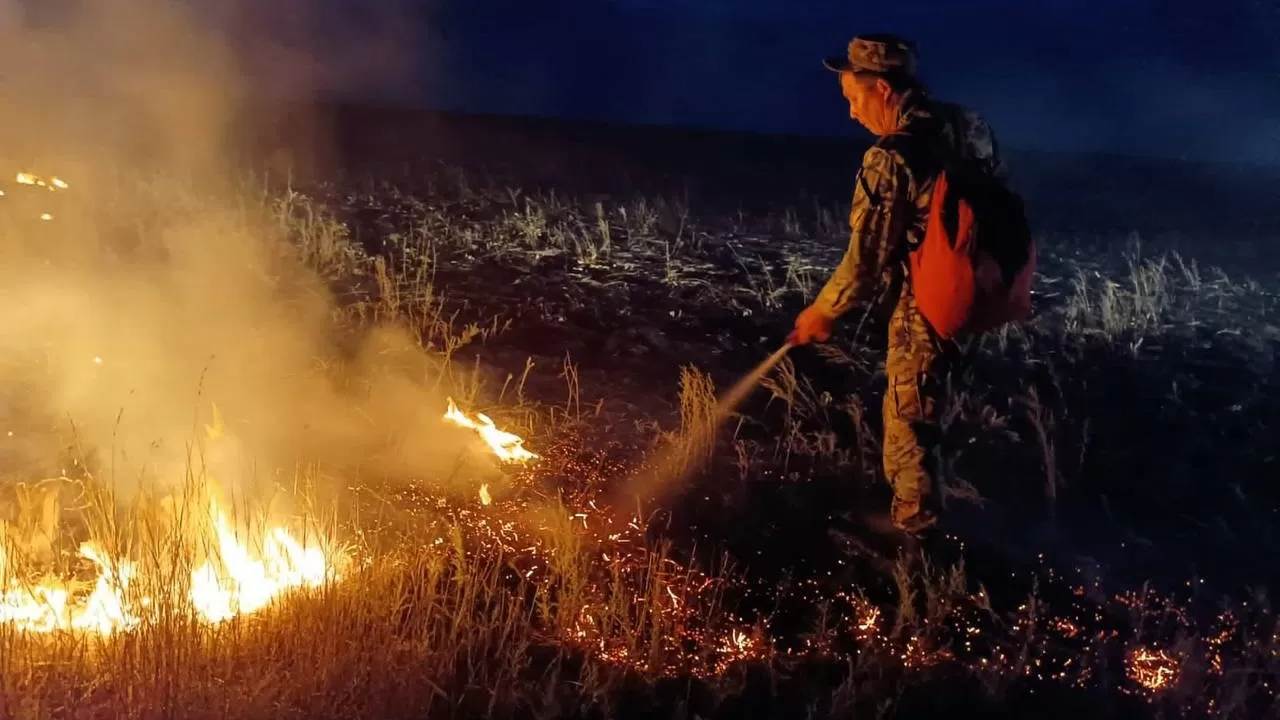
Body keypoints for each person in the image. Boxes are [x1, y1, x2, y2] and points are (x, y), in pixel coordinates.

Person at [788, 33, 1005, 538]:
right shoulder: (968, 125)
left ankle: (915, 540)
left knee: (909, 420)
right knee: (936, 405)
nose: (851, 114)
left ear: (882, 89)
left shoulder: (890, 157)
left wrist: (822, 312)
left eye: (853, 99)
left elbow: (865, 261)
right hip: (978, 290)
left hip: (929, 298)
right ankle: (927, 510)